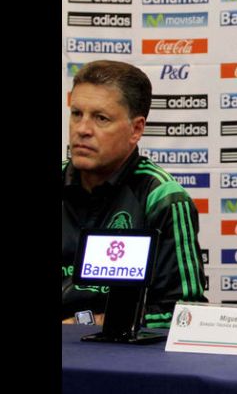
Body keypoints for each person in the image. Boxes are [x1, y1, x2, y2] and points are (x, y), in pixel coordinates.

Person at [62, 60, 207, 327]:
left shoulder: (163, 198)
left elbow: (182, 314)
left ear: (136, 129)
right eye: (77, 114)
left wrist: (88, 323)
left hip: (121, 349)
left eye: (101, 118)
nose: (82, 129)